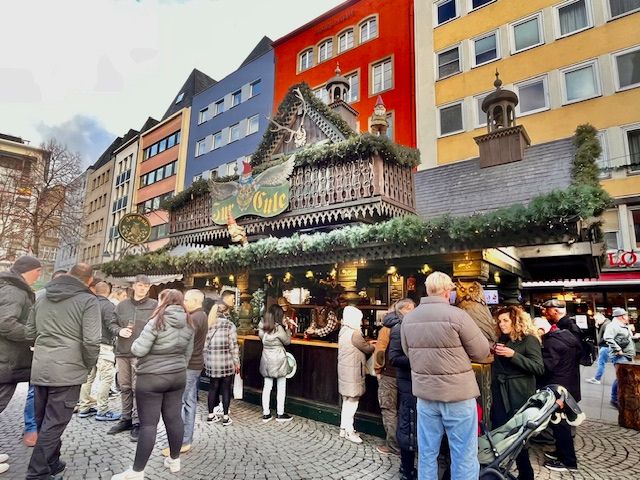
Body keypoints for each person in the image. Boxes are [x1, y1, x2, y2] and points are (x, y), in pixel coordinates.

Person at [400, 271, 490, 480]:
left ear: (428, 290)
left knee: (427, 454)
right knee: (464, 455)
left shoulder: (409, 318)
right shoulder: (457, 315)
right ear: (448, 291)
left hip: (425, 395)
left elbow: (407, 351)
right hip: (458, 395)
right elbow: (481, 350)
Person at [25, 264, 101, 480]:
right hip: (69, 368)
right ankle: (37, 472)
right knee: (55, 421)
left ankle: (52, 461)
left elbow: (29, 331)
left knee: (43, 418)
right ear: (89, 281)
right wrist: (87, 364)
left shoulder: (41, 296)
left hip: (41, 365)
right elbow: (91, 340)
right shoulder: (88, 300)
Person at [112, 289, 194, 480]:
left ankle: (137, 471)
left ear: (162, 301)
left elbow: (138, 349)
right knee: (174, 418)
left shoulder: (157, 321)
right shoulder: (189, 323)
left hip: (151, 377)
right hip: (177, 376)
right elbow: (187, 355)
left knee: (148, 425)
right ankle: (174, 460)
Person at [490, 306, 544, 480]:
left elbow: (538, 367)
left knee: (519, 434)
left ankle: (526, 473)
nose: (502, 324)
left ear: (517, 321)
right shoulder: (502, 338)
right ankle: (497, 468)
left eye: (505, 320)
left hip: (519, 393)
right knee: (500, 428)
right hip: (500, 392)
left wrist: (513, 355)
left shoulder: (529, 340)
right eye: (499, 321)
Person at [0, 255, 42, 473]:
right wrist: (33, 335)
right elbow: (6, 323)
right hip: (5, 361)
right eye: (38, 271)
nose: (40, 276)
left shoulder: (10, 286)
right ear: (30, 270)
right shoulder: (15, 290)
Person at [108, 275, 157, 441]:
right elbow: (111, 323)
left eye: (146, 286)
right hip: (122, 351)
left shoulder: (154, 306)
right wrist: (119, 331)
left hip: (142, 355)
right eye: (140, 285)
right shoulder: (122, 305)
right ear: (134, 286)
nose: (143, 288)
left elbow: (159, 327)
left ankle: (137, 422)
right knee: (125, 386)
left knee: (138, 389)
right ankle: (126, 418)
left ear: (149, 288)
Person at [161, 289, 208, 457]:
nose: (184, 302)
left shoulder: (195, 317)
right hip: (194, 365)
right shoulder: (200, 315)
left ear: (196, 301)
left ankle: (180, 442)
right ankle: (186, 440)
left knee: (178, 403)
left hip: (188, 366)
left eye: (187, 300)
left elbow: (182, 341)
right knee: (189, 402)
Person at [538, 302, 582, 473]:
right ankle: (562, 453)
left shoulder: (553, 342)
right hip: (568, 383)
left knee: (560, 423)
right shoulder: (565, 336)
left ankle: (569, 461)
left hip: (559, 387)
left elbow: (546, 367)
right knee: (560, 423)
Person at [373, 299, 415, 455]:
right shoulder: (414, 325)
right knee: (405, 411)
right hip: (408, 374)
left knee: (389, 409)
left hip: (389, 374)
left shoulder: (388, 327)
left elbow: (380, 350)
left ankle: (393, 446)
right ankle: (407, 445)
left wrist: (377, 369)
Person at [77, 281, 120, 421]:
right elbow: (111, 325)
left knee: (88, 377)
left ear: (95, 290)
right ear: (108, 292)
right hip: (104, 345)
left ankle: (83, 407)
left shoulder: (87, 303)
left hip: (87, 344)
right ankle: (102, 410)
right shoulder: (109, 306)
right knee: (106, 377)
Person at [388, 299, 418, 480]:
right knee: (408, 425)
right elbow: (394, 357)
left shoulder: (410, 325)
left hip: (415, 382)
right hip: (408, 382)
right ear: (405, 310)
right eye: (412, 309)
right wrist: (419, 358)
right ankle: (406, 470)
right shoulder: (399, 328)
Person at [337, 305, 375, 444]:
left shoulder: (343, 331)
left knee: (347, 399)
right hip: (353, 371)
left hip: (345, 369)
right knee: (352, 401)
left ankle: (343, 428)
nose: (360, 322)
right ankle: (349, 430)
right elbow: (366, 348)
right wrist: (374, 345)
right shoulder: (355, 333)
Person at [204, 295, 240, 426]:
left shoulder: (208, 325)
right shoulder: (229, 325)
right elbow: (233, 346)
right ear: (224, 312)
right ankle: (225, 417)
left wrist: (205, 360)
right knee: (225, 389)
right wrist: (237, 362)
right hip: (226, 362)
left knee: (212, 388)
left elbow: (204, 346)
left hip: (212, 362)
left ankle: (211, 415)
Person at [259, 304, 293, 422]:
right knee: (281, 387)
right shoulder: (278, 329)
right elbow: (287, 341)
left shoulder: (263, 327)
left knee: (267, 387)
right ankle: (280, 413)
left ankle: (266, 413)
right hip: (278, 361)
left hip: (266, 359)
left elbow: (261, 337)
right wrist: (288, 328)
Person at [603, 308, 635, 409]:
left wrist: (634, 337)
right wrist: (617, 349)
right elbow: (607, 337)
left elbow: (625, 338)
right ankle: (614, 399)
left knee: (624, 378)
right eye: (626, 315)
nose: (627, 317)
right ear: (621, 316)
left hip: (627, 355)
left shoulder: (623, 325)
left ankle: (621, 398)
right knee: (621, 377)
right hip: (620, 356)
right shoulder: (613, 326)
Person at [586, 312, 611, 385]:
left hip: (605, 346)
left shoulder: (607, 324)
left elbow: (607, 336)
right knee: (602, 362)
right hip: (605, 346)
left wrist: (601, 341)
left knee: (601, 363)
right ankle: (597, 378)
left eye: (596, 319)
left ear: (601, 317)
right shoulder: (606, 323)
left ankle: (597, 378)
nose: (596, 321)